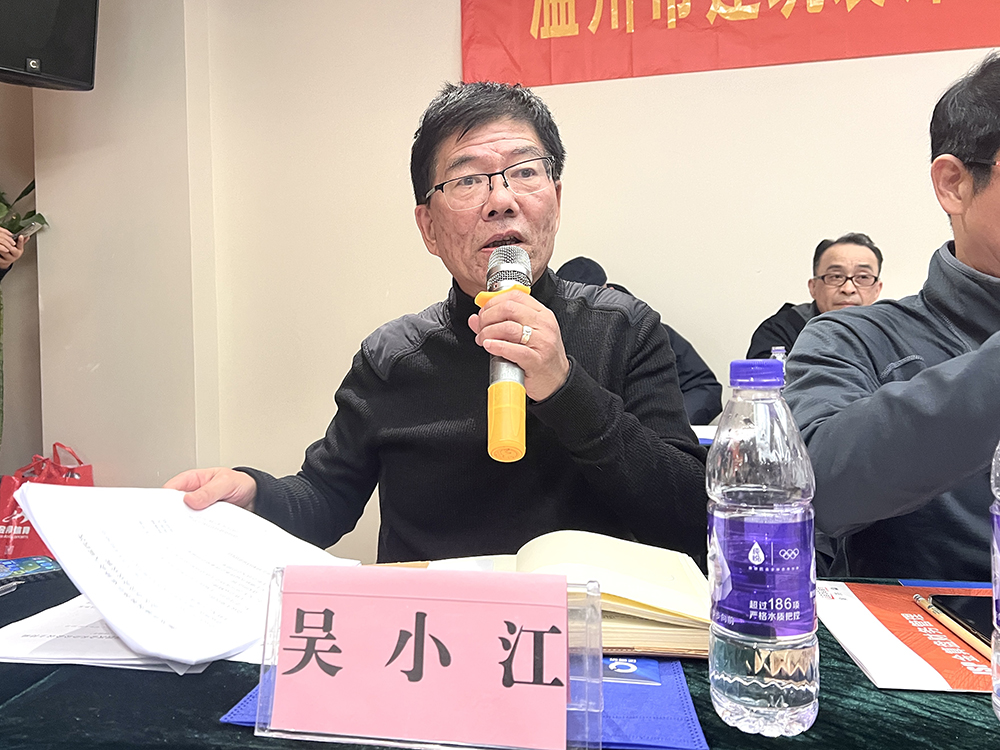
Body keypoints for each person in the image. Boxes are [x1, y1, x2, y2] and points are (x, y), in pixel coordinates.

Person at [166, 82, 708, 563]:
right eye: (467, 180)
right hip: (431, 632)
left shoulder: (625, 329)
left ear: (556, 200)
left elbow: (690, 520)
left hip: (588, 632)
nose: (501, 200)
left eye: (524, 172)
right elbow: (325, 498)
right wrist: (255, 496)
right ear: (427, 227)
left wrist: (566, 388)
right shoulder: (391, 357)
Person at [782, 52, 1000, 580]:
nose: (849, 287)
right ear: (954, 184)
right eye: (838, 276)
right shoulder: (852, 339)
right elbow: (816, 485)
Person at [555, 256, 722, 424]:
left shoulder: (648, 331)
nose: (588, 312)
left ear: (610, 291)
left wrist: (670, 425)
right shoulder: (553, 338)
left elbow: (703, 387)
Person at [746, 233, 883, 359]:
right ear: (813, 287)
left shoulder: (889, 334)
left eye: (863, 277)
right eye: (836, 276)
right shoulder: (780, 331)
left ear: (877, 289)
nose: (848, 289)